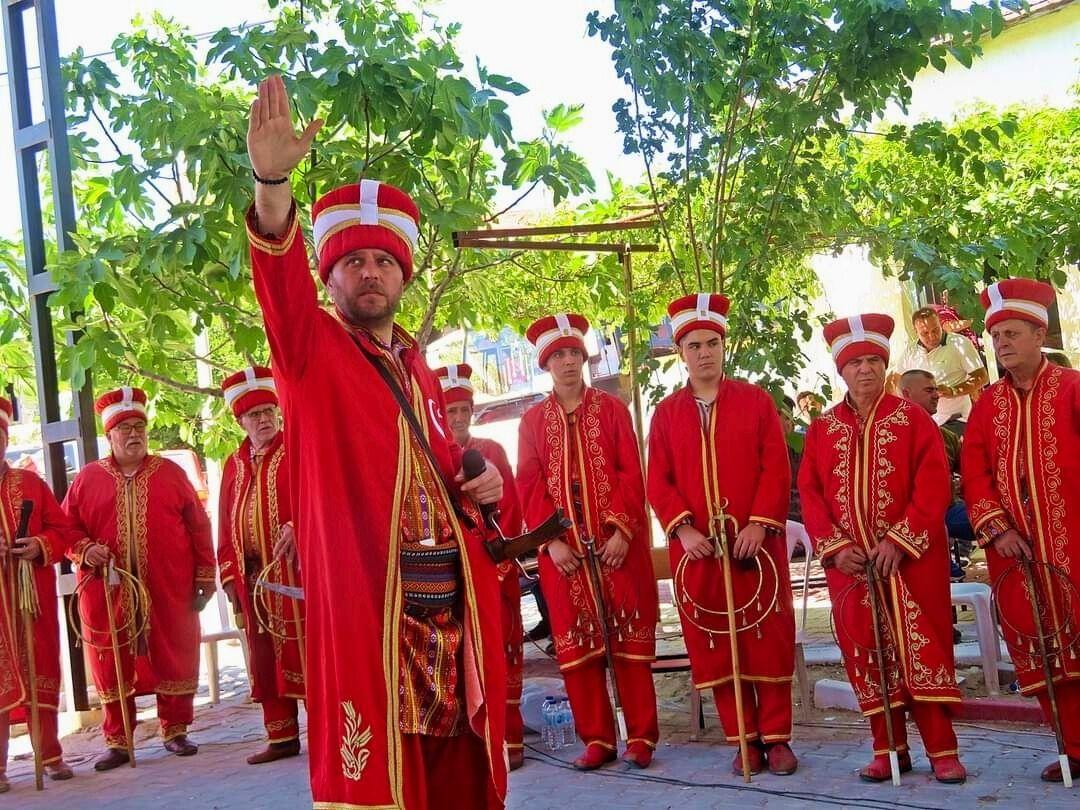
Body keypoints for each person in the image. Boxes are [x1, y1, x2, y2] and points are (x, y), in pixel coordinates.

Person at [245, 74, 506, 808]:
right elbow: (277, 274)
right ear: (330, 277)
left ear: (403, 276)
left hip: (445, 610)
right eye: (354, 262)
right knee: (382, 769)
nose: (370, 273)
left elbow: (442, 469)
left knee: (452, 763)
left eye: (384, 262)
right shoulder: (311, 352)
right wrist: (272, 182)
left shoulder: (418, 367)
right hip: (372, 605)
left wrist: (481, 483)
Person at [799, 314, 966, 784]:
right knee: (865, 648)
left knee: (925, 646)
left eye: (874, 360)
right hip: (850, 565)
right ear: (842, 371)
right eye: (856, 363)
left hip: (911, 561)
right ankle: (887, 747)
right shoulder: (822, 429)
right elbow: (810, 494)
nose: (865, 370)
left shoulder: (912, 419)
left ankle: (943, 750)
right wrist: (835, 546)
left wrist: (900, 540)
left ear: (886, 366)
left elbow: (934, 485)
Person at [647, 294, 797, 776]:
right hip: (701, 552)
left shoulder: (755, 401)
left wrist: (758, 522)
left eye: (712, 343)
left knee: (765, 637)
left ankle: (777, 738)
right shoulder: (666, 414)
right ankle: (743, 740)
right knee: (715, 642)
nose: (704, 352)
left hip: (755, 546)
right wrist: (683, 529)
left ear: (723, 346)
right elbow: (658, 480)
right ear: (681, 352)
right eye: (694, 345)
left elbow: (775, 466)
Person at [517, 312, 659, 770]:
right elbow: (529, 484)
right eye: (558, 355)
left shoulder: (612, 409)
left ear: (584, 357)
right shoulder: (532, 422)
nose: (567, 362)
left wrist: (621, 530)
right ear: (546, 364)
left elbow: (629, 472)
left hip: (618, 549)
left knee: (629, 645)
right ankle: (597, 738)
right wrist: (552, 542)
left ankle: (641, 736)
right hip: (566, 556)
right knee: (578, 651)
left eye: (574, 353)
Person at [962, 278, 1080, 783]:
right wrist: (997, 528)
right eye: (996, 336)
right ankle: (1072, 749)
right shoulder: (988, 405)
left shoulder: (1074, 389)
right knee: (1040, 645)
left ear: (1039, 333)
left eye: (1012, 333)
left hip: (1073, 542)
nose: (1003, 344)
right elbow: (974, 473)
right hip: (1014, 551)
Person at [64, 387, 215, 770]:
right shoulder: (86, 479)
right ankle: (118, 739)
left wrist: (205, 576)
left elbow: (199, 527)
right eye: (125, 428)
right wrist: (84, 550)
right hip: (104, 588)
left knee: (174, 649)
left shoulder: (170, 473)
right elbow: (64, 530)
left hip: (169, 584)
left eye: (139, 427)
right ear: (109, 435)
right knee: (109, 657)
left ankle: (175, 730)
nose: (134, 434)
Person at [437, 363, 527, 771]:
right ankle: (473, 744)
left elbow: (512, 506)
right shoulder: (430, 454)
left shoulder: (491, 451)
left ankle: (512, 739)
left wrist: (497, 553)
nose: (458, 418)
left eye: (464, 410)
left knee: (505, 648)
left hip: (495, 567)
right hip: (451, 574)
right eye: (450, 410)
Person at [217, 366, 305, 765]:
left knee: (306, 652)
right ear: (240, 421)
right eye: (255, 415)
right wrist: (230, 575)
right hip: (255, 577)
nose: (265, 419)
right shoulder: (233, 465)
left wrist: (298, 524)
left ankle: (324, 730)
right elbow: (223, 522)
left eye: (270, 410)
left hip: (297, 576)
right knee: (265, 655)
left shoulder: (299, 449)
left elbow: (321, 496)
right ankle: (282, 737)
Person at [0, 395, 79, 792]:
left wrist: (38, 546)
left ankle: (49, 755)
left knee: (39, 669)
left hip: (31, 602)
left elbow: (63, 532)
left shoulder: (30, 483)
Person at [891, 307, 987, 435]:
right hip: (924, 424)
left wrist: (952, 391)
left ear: (940, 324)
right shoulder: (911, 351)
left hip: (955, 420)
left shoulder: (958, 343)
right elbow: (895, 381)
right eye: (925, 333)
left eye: (935, 330)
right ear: (916, 331)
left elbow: (982, 377)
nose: (932, 336)